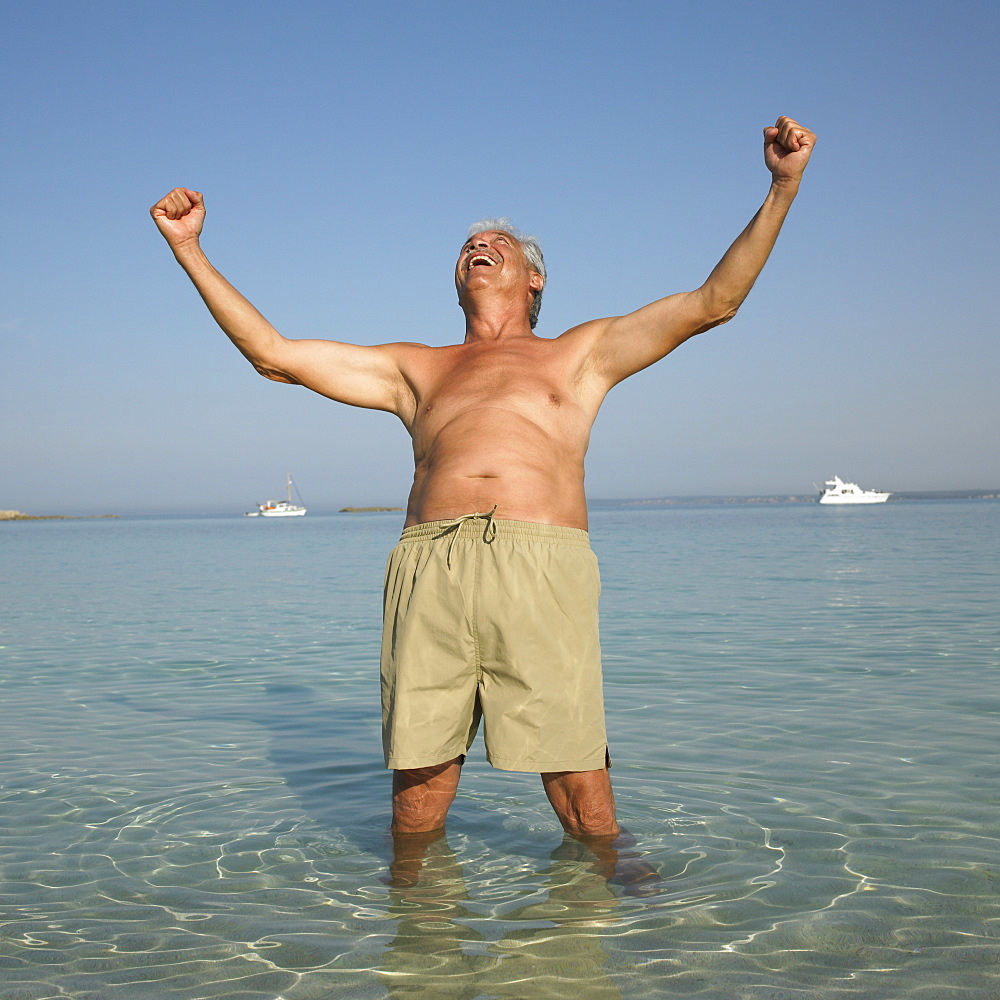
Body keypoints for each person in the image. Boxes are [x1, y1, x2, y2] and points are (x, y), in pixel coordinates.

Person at [151, 115, 815, 844]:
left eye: (499, 244)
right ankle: (417, 937)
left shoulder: (580, 354)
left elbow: (713, 302)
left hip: (540, 561)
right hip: (429, 563)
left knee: (582, 792)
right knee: (416, 794)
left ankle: (612, 924)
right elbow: (274, 355)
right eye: (470, 244)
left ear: (535, 280)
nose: (479, 245)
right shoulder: (416, 367)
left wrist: (781, 186)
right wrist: (190, 250)